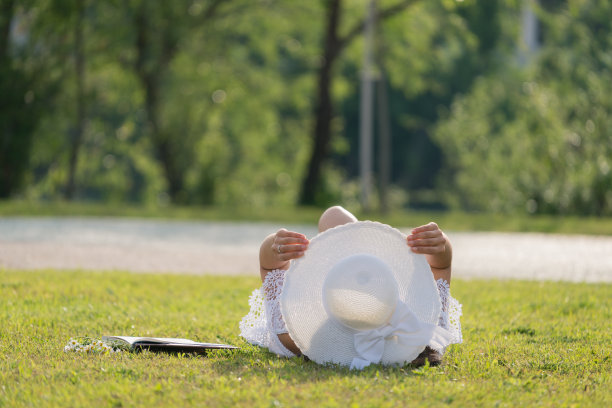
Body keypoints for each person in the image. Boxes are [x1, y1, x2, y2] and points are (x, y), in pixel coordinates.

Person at [239, 205, 462, 366]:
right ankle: (359, 266)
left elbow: (271, 269)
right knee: (335, 217)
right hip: (373, 275)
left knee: (334, 216)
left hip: (346, 275)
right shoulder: (423, 334)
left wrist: (276, 246)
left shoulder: (291, 339)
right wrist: (440, 244)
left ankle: (355, 264)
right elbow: (442, 267)